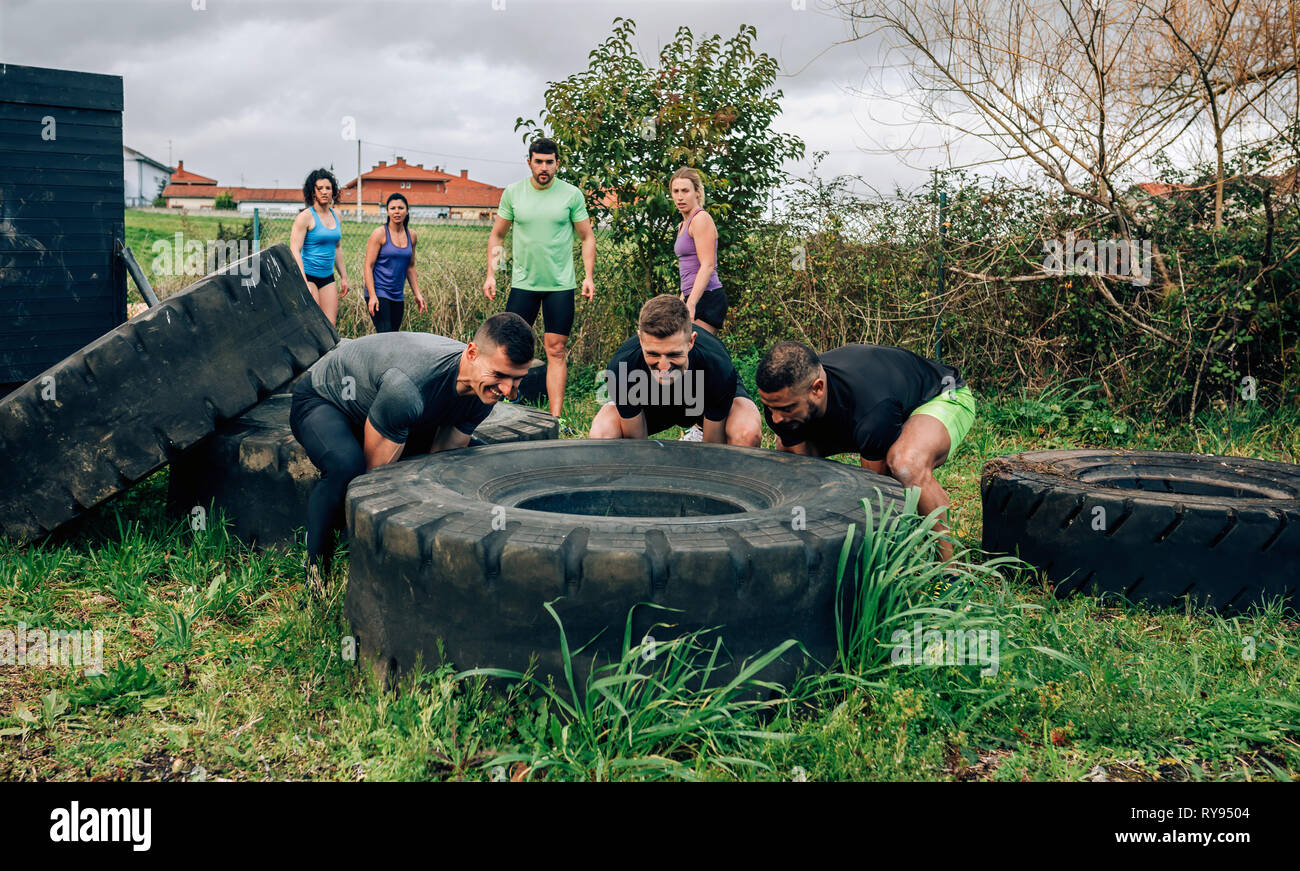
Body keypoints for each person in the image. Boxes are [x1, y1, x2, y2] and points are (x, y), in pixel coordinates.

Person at [289, 313, 535, 596]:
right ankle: (317, 573)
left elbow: (444, 460)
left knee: (475, 459)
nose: (507, 390)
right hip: (324, 401)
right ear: (471, 353)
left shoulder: (484, 392)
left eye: (517, 380)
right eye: (499, 375)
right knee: (348, 467)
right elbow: (373, 483)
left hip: (384, 410)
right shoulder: (408, 388)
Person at [755, 341, 976, 558]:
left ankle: (949, 573)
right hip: (875, 411)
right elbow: (806, 475)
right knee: (790, 456)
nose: (775, 418)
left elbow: (876, 494)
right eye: (769, 406)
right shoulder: (781, 405)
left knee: (905, 463)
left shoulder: (871, 410)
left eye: (786, 408)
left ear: (818, 389)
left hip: (940, 394)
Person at [483, 138, 596, 424]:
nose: (544, 167)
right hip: (523, 285)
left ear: (557, 162)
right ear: (529, 161)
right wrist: (493, 273)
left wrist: (588, 277)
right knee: (507, 346)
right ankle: (502, 407)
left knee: (555, 349)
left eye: (549, 162)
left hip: (560, 285)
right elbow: (498, 235)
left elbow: (587, 237)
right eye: (538, 161)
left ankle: (554, 419)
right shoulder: (513, 193)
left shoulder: (571, 195)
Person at [589, 294, 760, 446]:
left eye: (674, 354)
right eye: (653, 354)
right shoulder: (622, 366)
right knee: (602, 433)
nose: (664, 366)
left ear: (691, 342)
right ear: (641, 339)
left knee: (746, 433)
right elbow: (637, 445)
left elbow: (712, 449)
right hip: (651, 404)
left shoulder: (717, 364)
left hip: (702, 405)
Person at [289, 168, 350, 326]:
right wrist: (303, 282)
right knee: (314, 324)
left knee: (330, 324)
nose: (324, 192)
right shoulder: (305, 217)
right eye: (320, 188)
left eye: (328, 188)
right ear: (313, 192)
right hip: (308, 276)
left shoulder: (337, 216)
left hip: (327, 277)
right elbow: (295, 250)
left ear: (333, 192)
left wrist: (344, 277)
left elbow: (337, 248)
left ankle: (328, 352)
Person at [670, 167, 726, 335]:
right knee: (684, 353)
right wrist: (683, 301)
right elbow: (688, 269)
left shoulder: (700, 219)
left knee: (696, 352)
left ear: (698, 192)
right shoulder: (683, 224)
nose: (680, 196)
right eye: (676, 191)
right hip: (691, 296)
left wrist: (691, 303)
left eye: (685, 191)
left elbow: (708, 265)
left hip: (707, 297)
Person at [364, 192, 426, 333]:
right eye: (392, 208)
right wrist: (372, 296)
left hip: (397, 294)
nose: (397, 211)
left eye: (400, 208)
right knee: (385, 335)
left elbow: (410, 267)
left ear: (407, 210)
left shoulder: (412, 235)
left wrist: (417, 294)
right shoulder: (379, 234)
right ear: (387, 212)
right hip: (379, 291)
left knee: (393, 335)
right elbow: (368, 266)